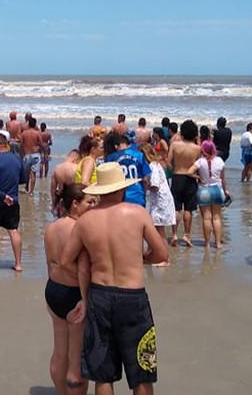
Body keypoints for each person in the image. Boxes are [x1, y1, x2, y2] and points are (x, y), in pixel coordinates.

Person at [59, 163, 169, 395]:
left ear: (100, 189)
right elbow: (161, 253)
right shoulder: (137, 213)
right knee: (141, 372)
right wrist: (141, 258)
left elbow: (66, 261)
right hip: (133, 298)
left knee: (102, 375)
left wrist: (84, 291)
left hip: (100, 295)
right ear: (121, 189)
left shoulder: (86, 221)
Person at [44, 184, 92, 395]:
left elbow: (50, 263)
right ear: (75, 203)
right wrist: (86, 298)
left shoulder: (51, 227)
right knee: (76, 357)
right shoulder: (79, 229)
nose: (93, 205)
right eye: (89, 201)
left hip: (53, 290)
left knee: (59, 351)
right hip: (74, 293)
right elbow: (82, 270)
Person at [0, 133, 27, 273]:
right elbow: (23, 179)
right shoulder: (17, 159)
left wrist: (2, 195)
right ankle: (18, 264)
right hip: (12, 201)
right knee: (13, 230)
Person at [167, 120, 201, 247]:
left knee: (176, 208)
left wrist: (172, 170)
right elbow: (198, 165)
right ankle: (187, 235)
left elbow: (168, 162)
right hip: (190, 178)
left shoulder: (175, 145)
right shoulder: (197, 148)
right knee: (188, 209)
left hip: (177, 176)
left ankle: (175, 234)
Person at [141, 143, 173, 266]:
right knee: (156, 229)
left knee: (160, 231)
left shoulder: (152, 166)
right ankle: (152, 254)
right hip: (160, 201)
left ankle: (164, 258)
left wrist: (145, 185)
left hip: (160, 201)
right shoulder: (156, 164)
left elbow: (155, 185)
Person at [191, 140, 227, 249]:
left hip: (204, 189)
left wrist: (198, 178)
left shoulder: (200, 161)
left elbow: (189, 172)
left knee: (206, 218)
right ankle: (217, 243)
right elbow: (223, 178)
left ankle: (206, 243)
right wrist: (225, 190)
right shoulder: (220, 160)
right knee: (216, 217)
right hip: (217, 189)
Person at [103, 133, 150, 207]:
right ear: (129, 145)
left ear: (116, 146)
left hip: (120, 197)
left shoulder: (110, 158)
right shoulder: (139, 155)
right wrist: (144, 193)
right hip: (137, 194)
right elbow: (145, 179)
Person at [52, 150, 80, 215]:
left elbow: (53, 189)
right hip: (72, 199)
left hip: (61, 198)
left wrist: (53, 204)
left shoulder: (57, 168)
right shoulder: (76, 168)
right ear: (76, 158)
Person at [20, 118, 43, 194]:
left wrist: (22, 154)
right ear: (35, 124)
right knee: (33, 173)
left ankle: (26, 187)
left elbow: (21, 144)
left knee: (27, 173)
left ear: (28, 124)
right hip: (35, 154)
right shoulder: (37, 133)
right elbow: (41, 144)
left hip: (27, 154)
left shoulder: (24, 133)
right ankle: (31, 191)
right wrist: (39, 149)